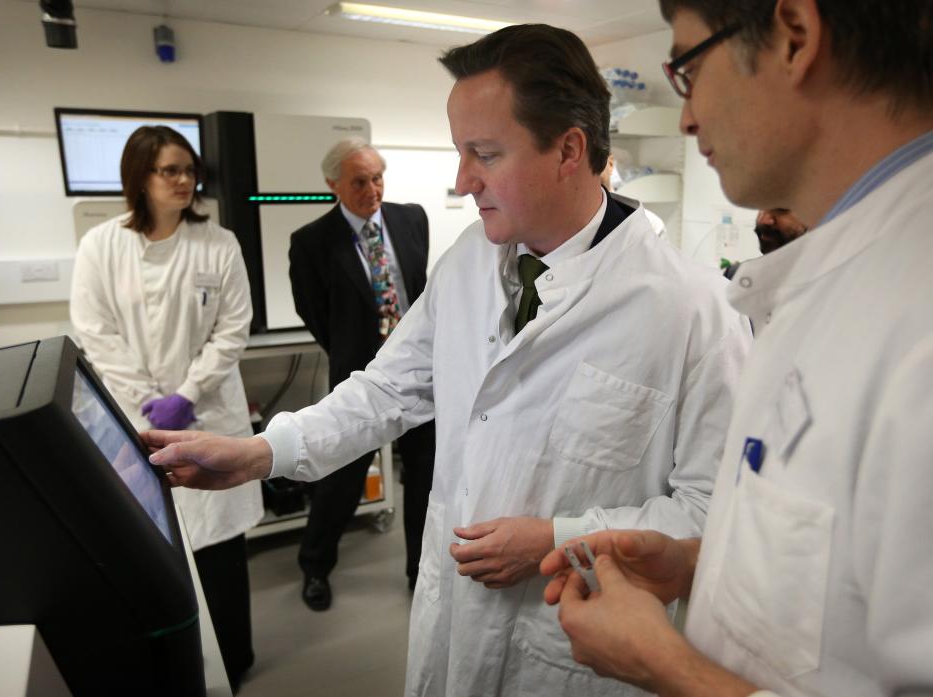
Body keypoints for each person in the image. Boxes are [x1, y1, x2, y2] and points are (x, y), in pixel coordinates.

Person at [145, 24, 752, 697]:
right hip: (453, 625)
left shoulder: (694, 312)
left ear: (569, 151)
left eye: (484, 154)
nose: (461, 181)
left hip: (567, 648)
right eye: (460, 152)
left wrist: (563, 535)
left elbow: (711, 511)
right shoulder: (469, 262)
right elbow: (385, 391)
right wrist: (262, 452)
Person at [541, 1, 933, 696]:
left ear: (795, 36)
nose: (687, 117)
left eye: (689, 66)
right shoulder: (838, 273)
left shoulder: (915, 324)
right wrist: (705, 562)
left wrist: (665, 664)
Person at [70, 125, 263, 692]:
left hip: (206, 413)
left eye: (189, 169)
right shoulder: (101, 245)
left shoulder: (218, 243)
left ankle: (235, 657)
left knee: (220, 551)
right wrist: (146, 401)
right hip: (135, 417)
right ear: (140, 177)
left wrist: (187, 395)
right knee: (152, 545)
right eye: (169, 170)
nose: (184, 180)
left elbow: (232, 330)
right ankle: (177, 660)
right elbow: (94, 331)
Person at [288, 139, 436, 610]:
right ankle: (314, 566)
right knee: (342, 479)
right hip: (360, 376)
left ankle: (420, 573)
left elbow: (419, 289)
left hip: (422, 374)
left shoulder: (411, 218)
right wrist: (359, 356)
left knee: (426, 477)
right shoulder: (311, 242)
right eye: (359, 181)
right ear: (333, 185)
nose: (372, 189)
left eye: (377, 178)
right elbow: (314, 313)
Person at [722, 208, 808, 279]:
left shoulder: (818, 284)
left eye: (781, 209)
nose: (763, 220)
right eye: (761, 207)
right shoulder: (737, 275)